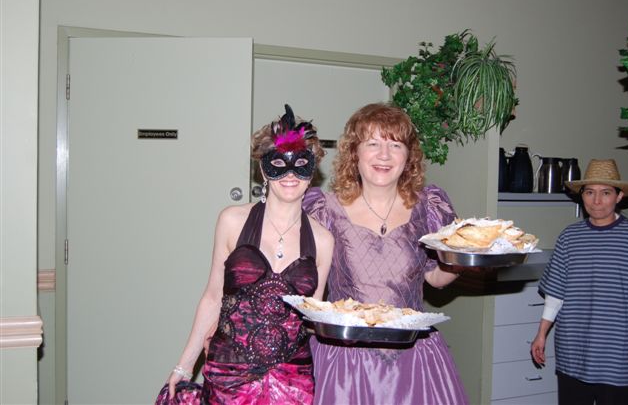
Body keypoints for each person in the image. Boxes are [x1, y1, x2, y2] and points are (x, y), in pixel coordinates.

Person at [155, 104, 334, 404]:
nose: (290, 173)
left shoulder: (323, 240)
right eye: (279, 163)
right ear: (263, 169)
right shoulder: (232, 221)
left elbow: (313, 318)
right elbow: (213, 297)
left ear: (311, 170)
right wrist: (184, 365)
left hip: (292, 382)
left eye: (301, 163)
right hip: (230, 374)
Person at [303, 103, 469, 405]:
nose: (384, 155)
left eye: (395, 145)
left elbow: (435, 278)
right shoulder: (324, 210)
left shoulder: (429, 207)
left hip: (415, 360)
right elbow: (303, 283)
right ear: (354, 152)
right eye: (373, 144)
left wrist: (464, 259)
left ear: (408, 156)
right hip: (346, 362)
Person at [530, 159, 628, 405]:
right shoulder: (569, 237)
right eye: (590, 192)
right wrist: (541, 334)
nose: (596, 201)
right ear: (582, 196)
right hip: (574, 350)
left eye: (605, 193)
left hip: (621, 354)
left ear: (619, 196)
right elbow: (555, 294)